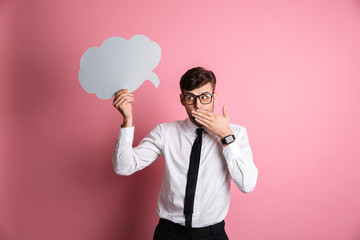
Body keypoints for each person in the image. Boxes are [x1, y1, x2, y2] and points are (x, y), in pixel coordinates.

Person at [112, 67, 258, 240]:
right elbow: (124, 167)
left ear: (214, 97)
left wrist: (226, 136)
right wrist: (127, 120)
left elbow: (247, 185)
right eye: (191, 98)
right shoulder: (165, 132)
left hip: (212, 234)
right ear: (182, 99)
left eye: (204, 97)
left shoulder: (236, 134)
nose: (198, 106)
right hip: (169, 233)